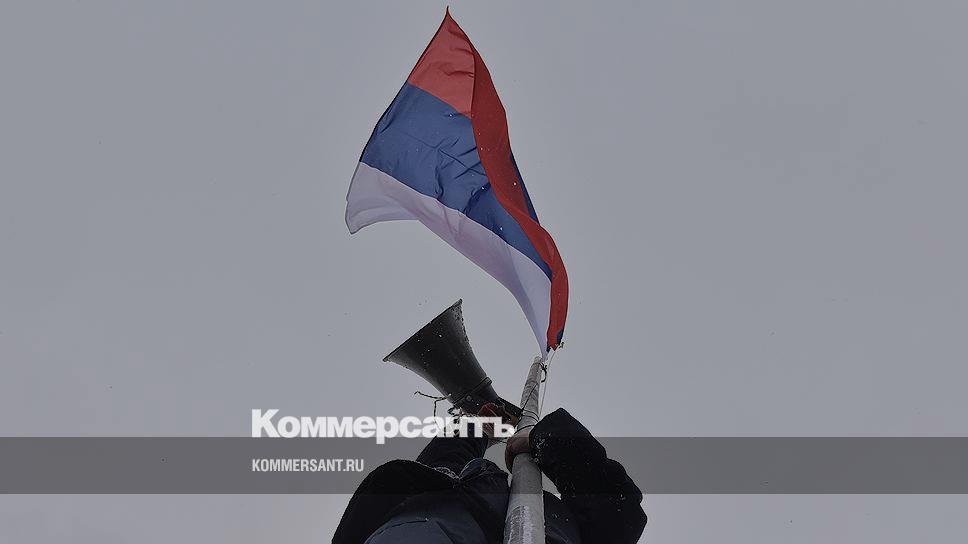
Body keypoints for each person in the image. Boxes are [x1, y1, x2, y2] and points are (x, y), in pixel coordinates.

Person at [333, 404, 646, 543]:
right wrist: (478, 428)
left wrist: (545, 439)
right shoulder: (449, 487)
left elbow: (617, 505)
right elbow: (443, 461)